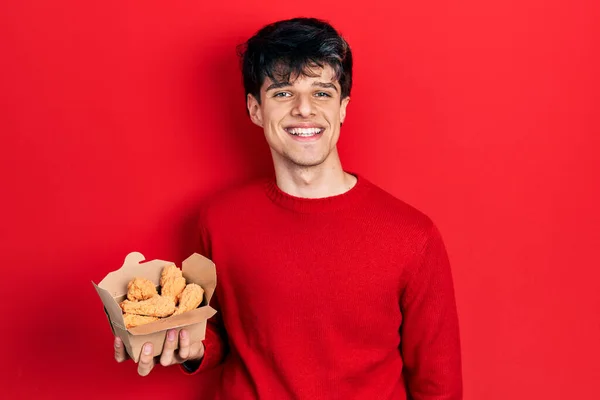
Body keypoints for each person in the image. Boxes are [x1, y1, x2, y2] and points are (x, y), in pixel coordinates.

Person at [114, 17, 462, 399]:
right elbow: (224, 335)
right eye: (282, 93)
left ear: (343, 108)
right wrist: (191, 347)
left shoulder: (413, 235)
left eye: (322, 92)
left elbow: (439, 384)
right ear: (255, 109)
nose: (304, 109)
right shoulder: (221, 220)